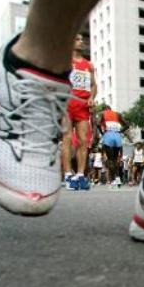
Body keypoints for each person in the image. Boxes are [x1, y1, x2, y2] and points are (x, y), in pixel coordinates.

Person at [62, 34, 96, 191]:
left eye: (83, 39)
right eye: (77, 39)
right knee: (67, 138)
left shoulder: (89, 65)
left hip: (83, 105)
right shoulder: (65, 62)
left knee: (83, 140)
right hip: (67, 104)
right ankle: (68, 174)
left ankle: (80, 175)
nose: (81, 41)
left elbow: (94, 85)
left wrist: (91, 97)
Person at [99, 105, 124, 187]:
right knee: (115, 159)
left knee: (110, 160)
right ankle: (118, 179)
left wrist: (103, 133)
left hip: (108, 136)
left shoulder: (103, 114)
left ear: (104, 110)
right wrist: (119, 132)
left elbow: (98, 124)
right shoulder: (117, 114)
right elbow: (127, 125)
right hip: (117, 136)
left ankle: (114, 179)